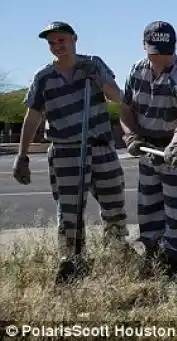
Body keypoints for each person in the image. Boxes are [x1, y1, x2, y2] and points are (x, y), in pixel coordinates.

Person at [13, 21, 130, 284]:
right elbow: (32, 116)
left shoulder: (94, 64)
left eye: (61, 40)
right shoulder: (43, 78)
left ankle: (118, 252)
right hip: (65, 151)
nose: (57, 46)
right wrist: (22, 156)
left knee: (114, 204)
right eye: (52, 42)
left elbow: (117, 96)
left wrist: (98, 78)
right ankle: (72, 260)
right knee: (69, 211)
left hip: (100, 148)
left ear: (74, 39)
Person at [118, 21, 177, 278]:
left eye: (167, 51)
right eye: (156, 52)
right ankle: (154, 255)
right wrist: (131, 134)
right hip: (149, 150)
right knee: (148, 207)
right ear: (145, 47)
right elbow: (125, 108)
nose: (162, 58)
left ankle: (175, 261)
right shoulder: (136, 71)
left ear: (174, 47)